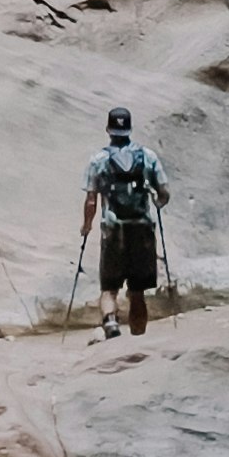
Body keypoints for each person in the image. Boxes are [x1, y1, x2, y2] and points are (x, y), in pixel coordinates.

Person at [80, 105, 169, 337]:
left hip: (113, 230)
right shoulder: (148, 156)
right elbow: (164, 193)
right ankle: (138, 337)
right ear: (129, 129)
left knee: (109, 286)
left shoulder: (98, 159)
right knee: (137, 290)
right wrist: (157, 202)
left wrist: (87, 226)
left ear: (108, 129)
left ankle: (110, 321)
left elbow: (91, 200)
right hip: (142, 230)